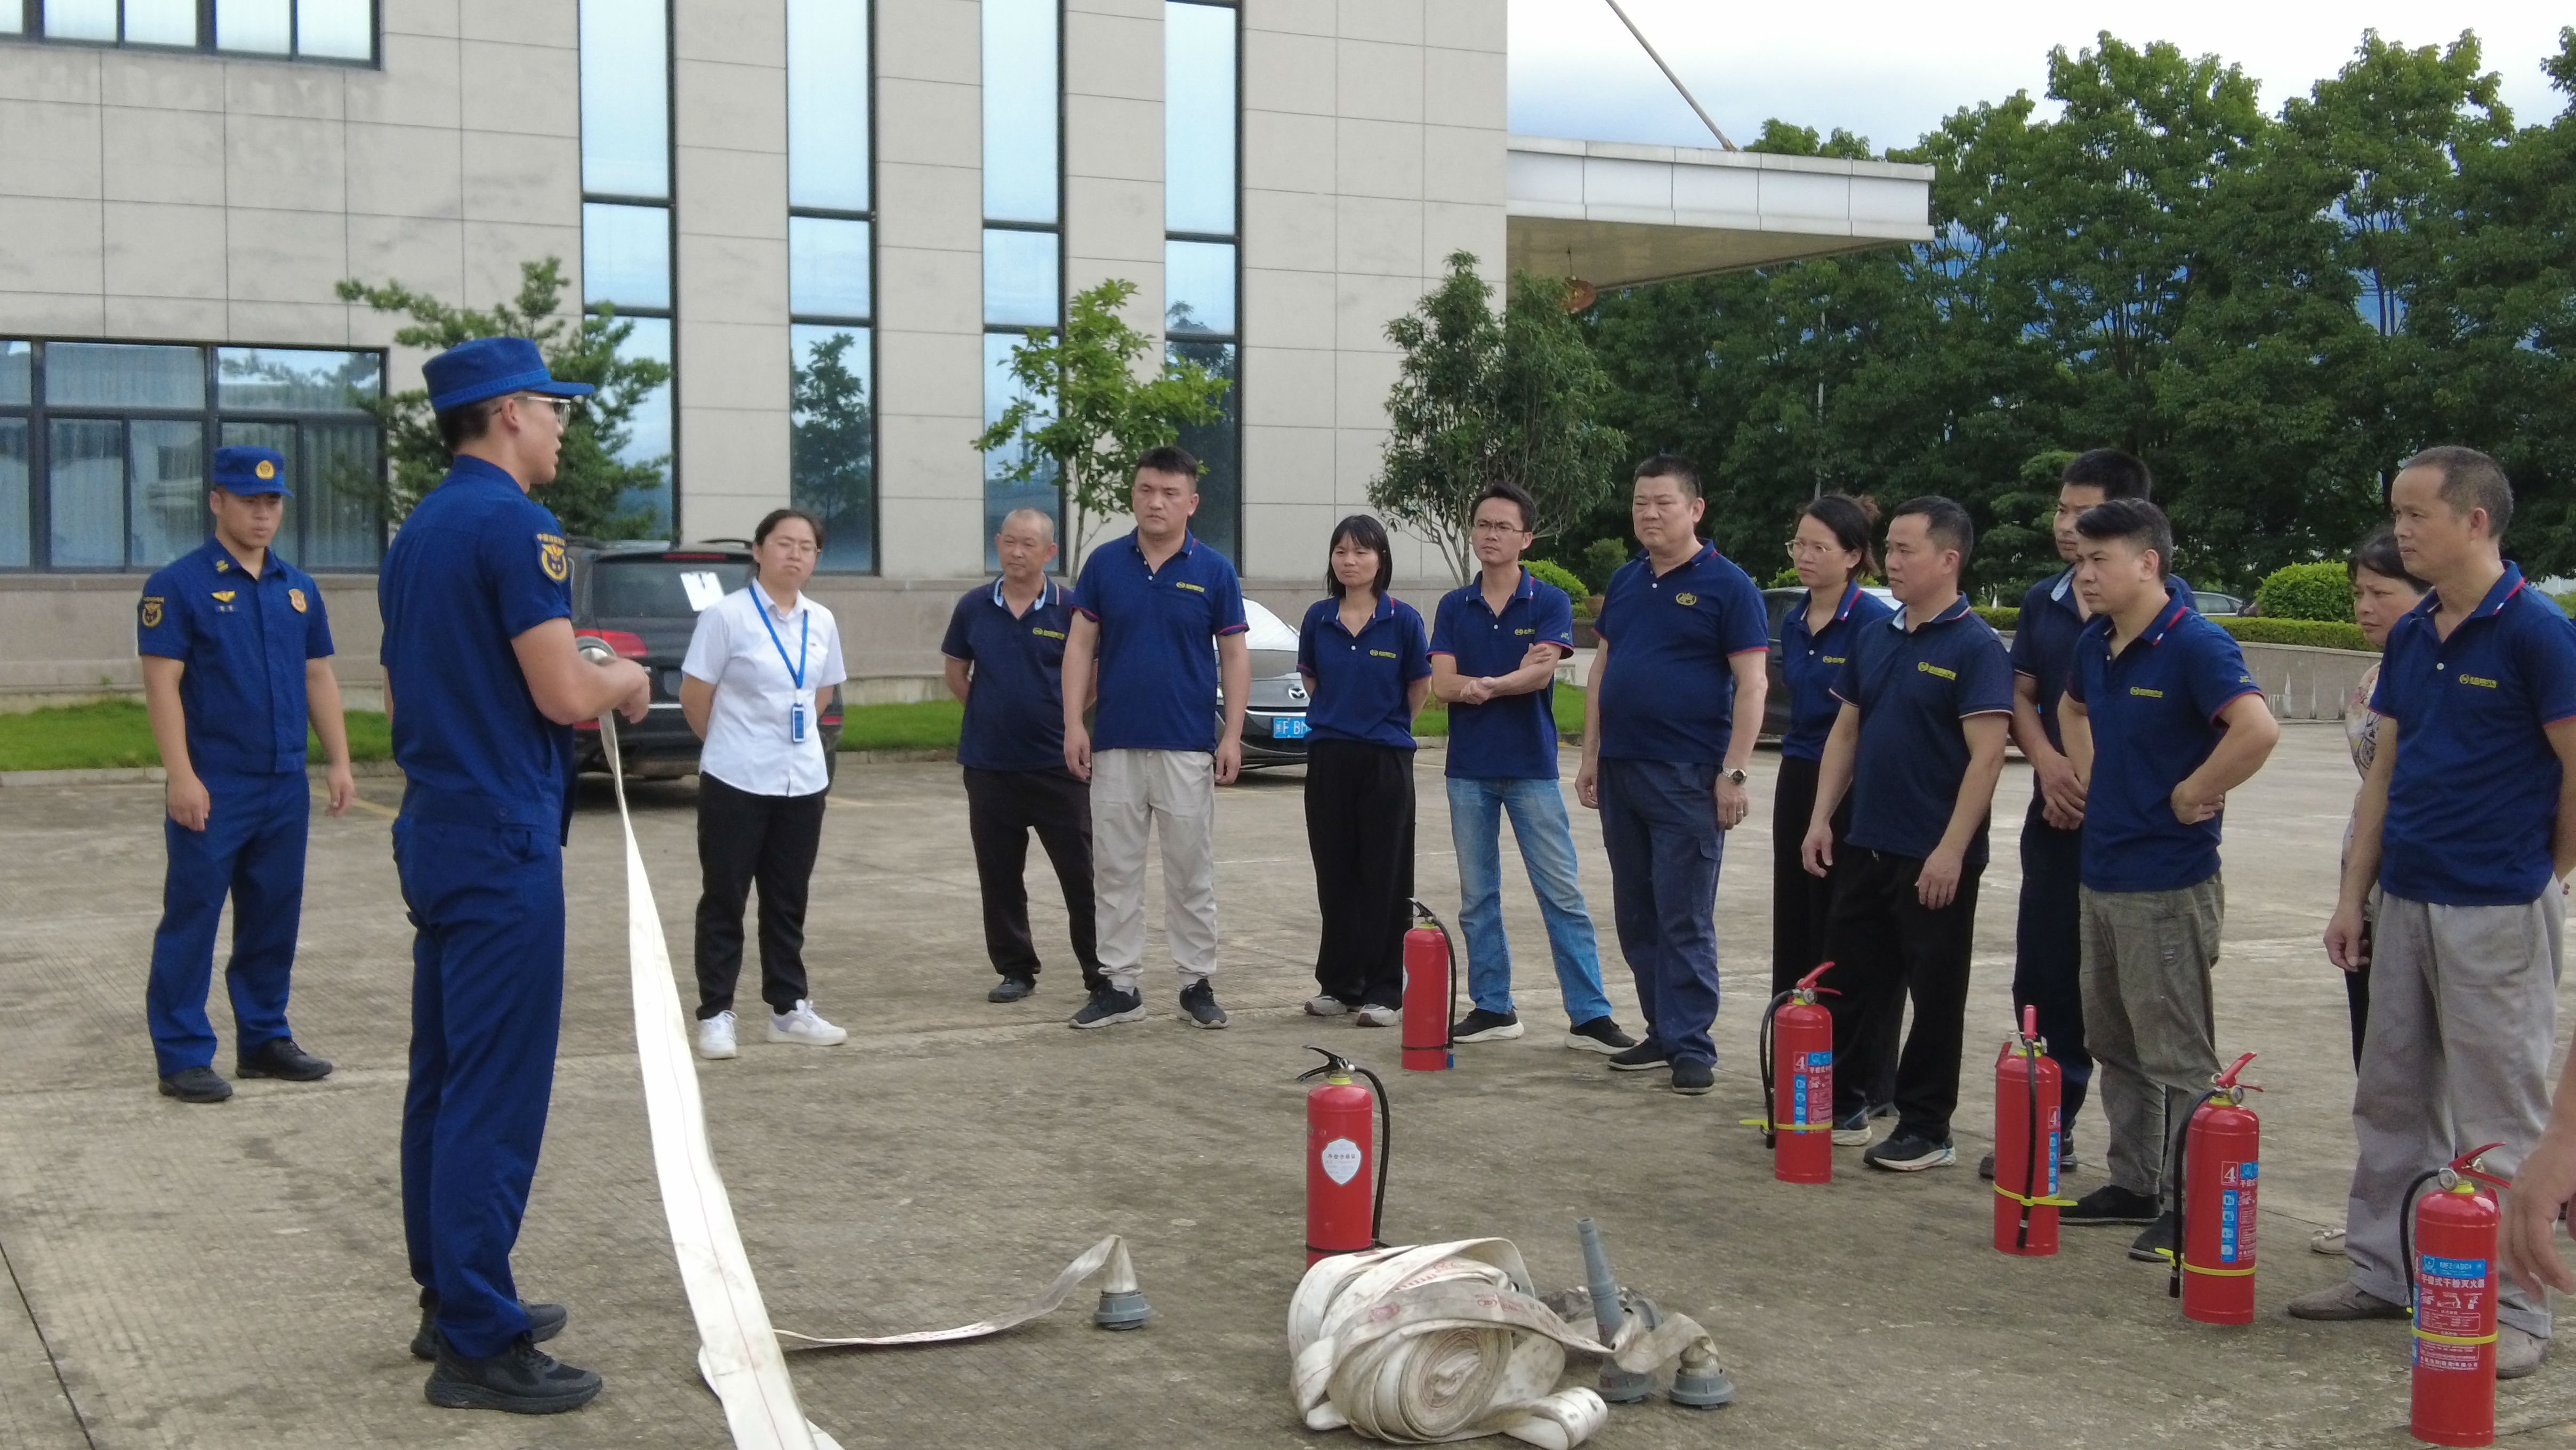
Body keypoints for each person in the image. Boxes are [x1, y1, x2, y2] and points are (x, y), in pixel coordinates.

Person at [382, 335, 648, 1414]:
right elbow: (563, 694)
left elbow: (409, 690)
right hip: (501, 838)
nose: (559, 427)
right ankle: (480, 1342)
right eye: (551, 408)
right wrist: (624, 676)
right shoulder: (515, 526)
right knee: (494, 1094)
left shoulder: (419, 532)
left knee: (446, 1077)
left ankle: (451, 1295)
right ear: (506, 415)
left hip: (440, 825)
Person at [2304, 446, 2576, 1382]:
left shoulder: (2538, 634)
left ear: (2474, 520)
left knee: (2498, 1112)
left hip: (2495, 908)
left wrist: (2543, 871)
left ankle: (2515, 1309)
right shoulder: (2415, 634)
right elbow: (2384, 771)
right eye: (2397, 512)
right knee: (2391, 1096)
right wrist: (2355, 896)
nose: (2401, 529)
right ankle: (2385, 1272)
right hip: (2405, 899)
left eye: (2416, 513)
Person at [2054, 499, 2277, 1262]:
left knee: (2178, 1052)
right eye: (2080, 561)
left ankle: (2192, 1205)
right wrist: (2093, 777)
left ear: (2148, 562)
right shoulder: (2096, 642)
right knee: (2113, 1041)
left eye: (2100, 560)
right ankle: (2135, 1181)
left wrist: (2194, 790)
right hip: (2103, 871)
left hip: (2166, 881)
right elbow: (2070, 708)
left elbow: (2256, 728)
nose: (2085, 575)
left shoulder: (2194, 644)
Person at [135, 445, 354, 1103]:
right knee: (193, 915)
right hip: (215, 782)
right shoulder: (177, 585)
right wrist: (181, 774)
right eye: (249, 501)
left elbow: (317, 674)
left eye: (272, 502)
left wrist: (339, 759)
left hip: (283, 782)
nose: (263, 514)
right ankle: (182, 1053)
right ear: (216, 502)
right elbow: (161, 685)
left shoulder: (297, 587)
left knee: (272, 915)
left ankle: (263, 1037)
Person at [1802, 496, 2010, 1171]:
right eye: (1887, 548)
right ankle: (1842, 1103)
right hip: (1866, 841)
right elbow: (1846, 732)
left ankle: (1927, 1125)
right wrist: (1820, 819)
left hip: (1932, 854)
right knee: (1846, 981)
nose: (1888, 561)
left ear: (1948, 560)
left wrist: (1950, 849)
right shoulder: (1876, 634)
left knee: (1934, 993)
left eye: (1903, 550)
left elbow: (1986, 758)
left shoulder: (1975, 646)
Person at [1991, 448, 2163, 1178]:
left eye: (2082, 514)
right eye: (2061, 511)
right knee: (2045, 974)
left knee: (2132, 996)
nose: (2065, 526)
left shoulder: (2170, 610)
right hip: (2054, 815)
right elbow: (2023, 693)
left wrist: (2103, 785)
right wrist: (2049, 763)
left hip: (2133, 833)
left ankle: (2148, 1163)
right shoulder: (2045, 600)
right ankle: (2047, 1123)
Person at [1575, 455, 1768, 1097]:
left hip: (1687, 774)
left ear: (1695, 509)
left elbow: (1752, 684)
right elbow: (1602, 669)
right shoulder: (1627, 580)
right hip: (1621, 768)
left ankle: (1691, 1044)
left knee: (1683, 912)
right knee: (1636, 911)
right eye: (1640, 502)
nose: (1649, 513)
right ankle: (1660, 1028)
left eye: (1663, 502)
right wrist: (1590, 753)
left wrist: (1733, 771)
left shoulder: (1728, 585)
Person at [1430, 482, 1633, 1053]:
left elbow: (1541, 674)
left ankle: (1589, 1015)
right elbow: (1441, 683)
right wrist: (1499, 680)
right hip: (1468, 769)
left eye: (1503, 527)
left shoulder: (1548, 601)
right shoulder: (1453, 605)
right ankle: (1492, 1006)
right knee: (1477, 897)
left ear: (1526, 538)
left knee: (1561, 893)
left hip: (1531, 768)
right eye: (1482, 524)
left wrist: (1485, 685)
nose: (1490, 535)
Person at [1058, 445, 1250, 1029]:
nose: (1156, 502)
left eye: (1170, 493)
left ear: (1191, 502)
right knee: (1114, 870)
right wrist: (1073, 723)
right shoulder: (1103, 565)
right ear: (1133, 495)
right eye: (1146, 490)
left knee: (1190, 870)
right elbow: (1080, 647)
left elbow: (1234, 654)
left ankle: (1196, 982)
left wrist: (1232, 735)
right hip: (1115, 742)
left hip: (1186, 743)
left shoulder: (1214, 570)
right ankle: (1119, 986)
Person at [678, 508, 850, 1060]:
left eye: (806, 546)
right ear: (757, 551)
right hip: (736, 777)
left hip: (802, 780)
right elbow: (695, 695)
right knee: (725, 897)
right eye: (783, 543)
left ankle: (788, 1007)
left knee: (787, 898)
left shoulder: (821, 620)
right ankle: (716, 1013)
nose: (795, 554)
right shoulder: (726, 617)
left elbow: (821, 692)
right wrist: (731, 742)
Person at [2309, 527, 2428, 1259]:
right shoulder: (2374, 678)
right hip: (2369, 872)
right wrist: (2351, 896)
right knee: (2377, 1058)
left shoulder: (2447, 666)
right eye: (2358, 591)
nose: (2364, 606)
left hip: (2441, 884)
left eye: (2381, 592)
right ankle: (2385, 1222)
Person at [942, 507, 1107, 1004]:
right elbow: (956, 672)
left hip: (1058, 765)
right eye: (1009, 542)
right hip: (989, 765)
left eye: (1029, 544)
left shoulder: (1071, 607)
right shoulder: (974, 606)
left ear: (1049, 552)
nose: (1017, 552)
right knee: (999, 876)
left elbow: (1093, 675)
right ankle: (1016, 969)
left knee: (1081, 875)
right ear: (998, 543)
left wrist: (1066, 717)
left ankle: (1101, 973)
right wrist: (990, 710)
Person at [1772, 493, 1897, 1131]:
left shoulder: (1873, 622)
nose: (1803, 556)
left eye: (1818, 546)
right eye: (1797, 543)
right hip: (1798, 771)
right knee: (1796, 918)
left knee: (1852, 927)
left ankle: (1867, 1078)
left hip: (1853, 780)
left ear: (1852, 556)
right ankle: (1796, 1060)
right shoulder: (1794, 617)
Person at [1297, 515, 1432, 1025]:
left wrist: (1381, 726)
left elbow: (1418, 688)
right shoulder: (1318, 618)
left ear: (1381, 559)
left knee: (1386, 875)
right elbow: (1313, 681)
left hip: (1385, 759)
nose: (1350, 561)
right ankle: (1340, 984)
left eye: (1361, 551)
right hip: (1330, 756)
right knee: (1335, 873)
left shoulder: (1403, 620)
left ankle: (1385, 989)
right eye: (1341, 552)